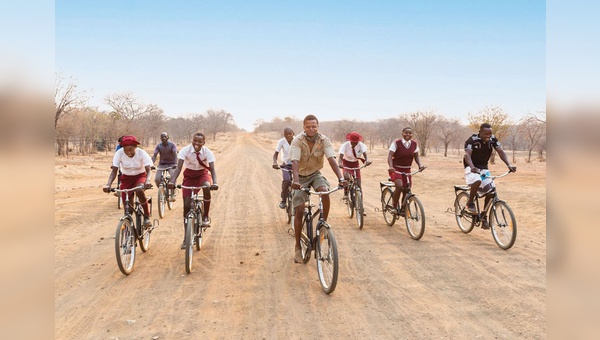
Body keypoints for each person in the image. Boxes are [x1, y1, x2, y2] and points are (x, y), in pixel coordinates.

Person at [290, 115, 347, 263]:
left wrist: (341, 178)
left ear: (318, 126)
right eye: (308, 126)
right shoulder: (297, 141)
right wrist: (296, 181)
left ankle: (322, 225)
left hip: (315, 174)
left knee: (324, 191)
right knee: (300, 210)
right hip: (300, 177)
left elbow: (332, 160)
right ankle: (297, 247)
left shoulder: (324, 140)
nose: (311, 129)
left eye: (314, 126)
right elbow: (295, 163)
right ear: (304, 126)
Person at [168, 133, 219, 249]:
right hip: (189, 176)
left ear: (203, 143)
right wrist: (172, 181)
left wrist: (215, 182)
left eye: (199, 142)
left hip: (202, 175)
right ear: (192, 141)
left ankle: (205, 216)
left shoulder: (208, 152)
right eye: (195, 141)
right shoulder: (185, 150)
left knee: (206, 187)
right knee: (186, 205)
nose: (197, 144)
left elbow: (212, 170)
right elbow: (178, 168)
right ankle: (186, 237)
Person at [463, 123, 516, 228]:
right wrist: (472, 167)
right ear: (480, 132)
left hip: (483, 168)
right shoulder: (472, 140)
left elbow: (500, 152)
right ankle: (470, 203)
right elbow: (467, 155)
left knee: (491, 191)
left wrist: (509, 164)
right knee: (477, 180)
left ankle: (484, 216)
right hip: (471, 167)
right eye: (485, 134)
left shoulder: (493, 139)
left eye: (490, 133)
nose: (488, 136)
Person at [103, 135, 153, 226]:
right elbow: (114, 171)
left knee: (139, 190)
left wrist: (148, 181)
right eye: (126, 150)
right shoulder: (119, 153)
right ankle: (128, 229)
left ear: (135, 147)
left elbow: (149, 170)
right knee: (128, 209)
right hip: (126, 178)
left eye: (131, 150)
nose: (128, 152)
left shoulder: (142, 153)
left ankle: (146, 216)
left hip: (140, 176)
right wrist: (108, 184)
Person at [387, 127, 426, 217]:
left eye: (410, 133)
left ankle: (404, 209)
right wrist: (391, 166)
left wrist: (420, 165)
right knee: (399, 186)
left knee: (407, 189)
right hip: (396, 169)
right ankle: (394, 206)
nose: (408, 135)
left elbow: (416, 157)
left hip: (407, 170)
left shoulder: (414, 144)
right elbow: (390, 155)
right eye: (406, 133)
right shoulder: (396, 143)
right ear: (402, 133)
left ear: (412, 134)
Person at [338, 131, 372, 200]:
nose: (355, 143)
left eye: (356, 142)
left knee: (358, 184)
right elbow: (340, 157)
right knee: (346, 177)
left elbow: (365, 155)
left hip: (355, 164)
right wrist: (340, 164)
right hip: (346, 163)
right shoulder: (345, 145)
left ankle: (361, 206)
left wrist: (367, 161)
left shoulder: (361, 145)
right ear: (350, 141)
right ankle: (346, 193)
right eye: (353, 142)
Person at [272, 127, 295, 209]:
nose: (288, 136)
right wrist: (275, 162)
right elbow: (275, 154)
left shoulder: (297, 141)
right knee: (287, 180)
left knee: (300, 181)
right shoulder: (281, 141)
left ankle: (302, 199)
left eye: (290, 134)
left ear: (293, 134)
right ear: (283, 134)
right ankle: (283, 200)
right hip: (286, 165)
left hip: (296, 164)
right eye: (286, 134)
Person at [151, 132, 178, 200]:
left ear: (167, 137)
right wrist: (151, 164)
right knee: (157, 179)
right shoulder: (159, 146)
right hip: (161, 165)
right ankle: (162, 191)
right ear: (160, 138)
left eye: (165, 137)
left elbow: (175, 154)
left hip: (171, 164)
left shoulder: (172, 145)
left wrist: (175, 164)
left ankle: (172, 193)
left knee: (173, 177)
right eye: (162, 137)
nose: (163, 138)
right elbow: (154, 155)